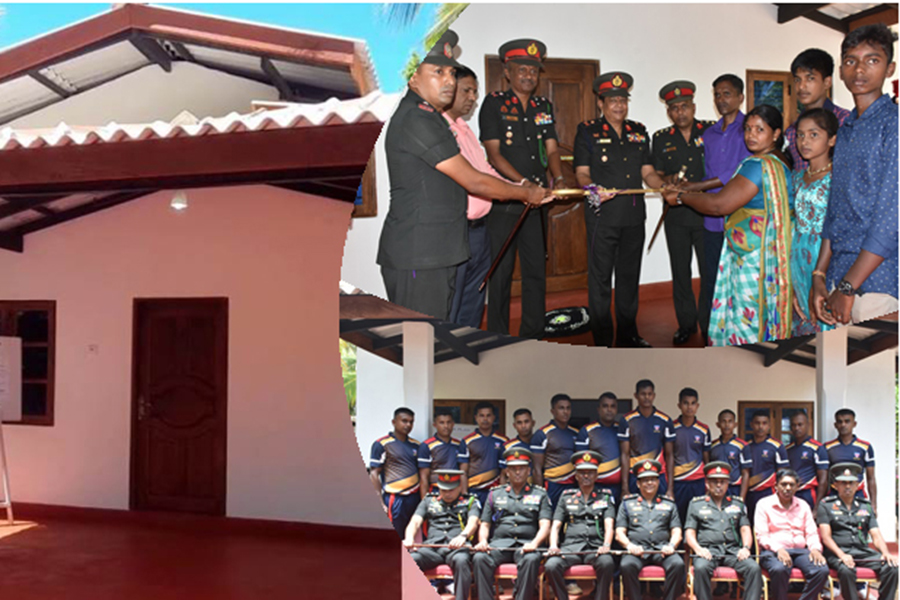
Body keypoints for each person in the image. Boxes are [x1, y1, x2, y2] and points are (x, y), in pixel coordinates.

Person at [378, 30, 549, 320]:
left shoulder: (433, 118)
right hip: (420, 252)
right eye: (438, 71)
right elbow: (474, 180)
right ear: (412, 77)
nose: (448, 81)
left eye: (451, 73)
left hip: (443, 248)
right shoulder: (416, 118)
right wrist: (526, 193)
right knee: (422, 345)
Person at [666, 104, 795, 346]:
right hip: (771, 255)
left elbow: (719, 205)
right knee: (765, 312)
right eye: (747, 129)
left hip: (753, 259)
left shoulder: (757, 166)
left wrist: (681, 197)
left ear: (776, 134)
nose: (751, 135)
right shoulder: (779, 161)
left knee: (747, 315)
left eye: (760, 129)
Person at [811, 23, 898, 328]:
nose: (859, 69)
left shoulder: (893, 126)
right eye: (850, 60)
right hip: (840, 277)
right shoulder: (846, 128)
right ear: (841, 71)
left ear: (890, 69)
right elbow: (834, 211)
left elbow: (891, 221)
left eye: (872, 60)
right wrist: (819, 276)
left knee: (879, 370)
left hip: (878, 282)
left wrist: (848, 287)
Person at [574, 72, 667, 348]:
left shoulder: (639, 131)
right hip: (602, 218)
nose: (619, 105)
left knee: (629, 279)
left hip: (634, 217)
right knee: (600, 280)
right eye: (613, 100)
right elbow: (581, 172)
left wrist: (661, 186)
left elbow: (648, 172)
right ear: (601, 102)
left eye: (623, 100)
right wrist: (592, 189)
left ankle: (628, 335)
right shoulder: (587, 131)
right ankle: (602, 338)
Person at [479, 39, 565, 339]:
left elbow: (552, 149)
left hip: (537, 204)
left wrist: (559, 177)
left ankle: (533, 334)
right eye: (522, 69)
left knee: (535, 273)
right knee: (500, 275)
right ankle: (497, 338)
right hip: (505, 202)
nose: (529, 75)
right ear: (507, 71)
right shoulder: (494, 103)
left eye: (534, 70)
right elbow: (494, 154)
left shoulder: (543, 106)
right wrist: (523, 184)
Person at [680, 74, 752, 345]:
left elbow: (733, 173)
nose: (721, 100)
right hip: (711, 221)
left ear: (740, 97)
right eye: (717, 95)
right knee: (710, 277)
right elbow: (708, 169)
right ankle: (710, 330)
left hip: (740, 218)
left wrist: (694, 188)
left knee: (739, 278)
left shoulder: (749, 128)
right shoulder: (708, 134)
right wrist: (688, 185)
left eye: (727, 94)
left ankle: (739, 331)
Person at [652, 81, 715, 345]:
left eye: (684, 106)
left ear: (694, 107)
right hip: (676, 215)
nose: (680, 112)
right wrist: (667, 179)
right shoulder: (661, 138)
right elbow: (654, 173)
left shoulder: (712, 131)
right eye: (674, 108)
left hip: (707, 215)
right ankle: (686, 325)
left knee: (708, 272)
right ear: (669, 112)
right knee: (681, 273)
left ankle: (709, 323)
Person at [445, 65, 503, 328]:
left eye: (475, 92)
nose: (473, 98)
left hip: (479, 232)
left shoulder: (464, 129)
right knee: (451, 305)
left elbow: (485, 170)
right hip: (455, 233)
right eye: (467, 90)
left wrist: (521, 189)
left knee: (473, 302)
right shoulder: (440, 130)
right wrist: (523, 192)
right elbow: (475, 181)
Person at [474, 448, 551, 600]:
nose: (517, 472)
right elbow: (485, 524)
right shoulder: (494, 494)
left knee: (531, 559)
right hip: (500, 544)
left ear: (528, 471)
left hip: (527, 544)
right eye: (513, 469)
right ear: (507, 472)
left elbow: (545, 525)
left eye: (521, 468)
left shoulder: (540, 494)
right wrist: (483, 541)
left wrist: (535, 544)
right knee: (479, 558)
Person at [790, 108, 839, 336]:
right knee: (803, 313)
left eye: (813, 134)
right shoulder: (796, 177)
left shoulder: (837, 178)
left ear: (832, 139)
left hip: (825, 255)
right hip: (797, 253)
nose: (804, 141)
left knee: (826, 316)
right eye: (800, 135)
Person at [818, 463, 898, 600]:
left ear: (857, 485)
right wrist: (842, 555)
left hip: (862, 552)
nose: (847, 486)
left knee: (892, 568)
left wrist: (885, 553)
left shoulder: (865, 506)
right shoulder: (826, 505)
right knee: (846, 570)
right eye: (843, 483)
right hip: (837, 553)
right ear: (835, 485)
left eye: (851, 483)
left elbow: (876, 535)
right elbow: (826, 537)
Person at [684, 461, 762, 600]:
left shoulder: (737, 504)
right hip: (708, 551)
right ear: (707, 484)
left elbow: (745, 529)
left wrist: (745, 548)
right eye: (715, 482)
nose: (719, 485)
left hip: (733, 551)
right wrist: (698, 549)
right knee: (701, 568)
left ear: (728, 484)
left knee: (753, 568)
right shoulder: (696, 504)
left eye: (722, 481)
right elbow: (690, 532)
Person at [545, 451, 617, 600]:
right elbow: (556, 526)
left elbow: (609, 525)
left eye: (590, 472)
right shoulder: (566, 497)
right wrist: (553, 545)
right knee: (551, 566)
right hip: (571, 548)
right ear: (576, 476)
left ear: (596, 476)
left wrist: (606, 545)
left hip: (595, 548)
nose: (586, 476)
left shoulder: (605, 496)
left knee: (607, 562)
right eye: (582, 472)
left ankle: (600, 597)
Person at [404, 470, 480, 600]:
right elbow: (415, 521)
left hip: (456, 548)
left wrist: (463, 536)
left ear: (459, 487)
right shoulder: (429, 500)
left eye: (451, 490)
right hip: (432, 549)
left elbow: (473, 522)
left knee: (462, 561)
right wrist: (409, 537)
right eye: (443, 490)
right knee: (411, 559)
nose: (447, 493)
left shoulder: (470, 501)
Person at [755, 469, 829, 600]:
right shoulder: (764, 504)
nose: (787, 488)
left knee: (821, 570)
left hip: (800, 551)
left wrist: (816, 549)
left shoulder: (803, 505)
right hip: (772, 551)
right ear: (776, 486)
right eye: (784, 484)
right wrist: (779, 550)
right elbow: (762, 535)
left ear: (797, 487)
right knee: (779, 569)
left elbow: (811, 532)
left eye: (791, 485)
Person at [615, 460, 684, 600]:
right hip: (636, 550)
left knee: (678, 564)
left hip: (662, 550)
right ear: (638, 484)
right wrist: (629, 546)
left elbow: (677, 531)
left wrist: (671, 545)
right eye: (645, 480)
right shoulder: (627, 504)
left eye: (653, 479)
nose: (649, 483)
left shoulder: (669, 504)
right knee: (626, 565)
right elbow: (619, 533)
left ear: (658, 483)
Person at [784, 48, 851, 172]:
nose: (802, 86)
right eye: (798, 80)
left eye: (810, 78)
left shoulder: (845, 122)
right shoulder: (792, 130)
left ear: (827, 82)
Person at [370, 408, 421, 537]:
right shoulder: (382, 444)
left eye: (411, 422)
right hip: (395, 497)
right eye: (404, 421)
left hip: (414, 497)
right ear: (394, 422)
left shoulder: (417, 445)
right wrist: (380, 502)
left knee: (412, 533)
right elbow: (374, 474)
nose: (408, 425)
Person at [619, 379, 675, 497]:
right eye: (643, 394)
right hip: (635, 475)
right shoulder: (627, 420)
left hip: (658, 474)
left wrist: (670, 488)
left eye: (649, 394)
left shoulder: (664, 420)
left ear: (654, 395)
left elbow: (669, 455)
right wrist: (625, 488)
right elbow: (625, 454)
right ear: (636, 396)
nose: (646, 397)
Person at [739, 410, 789, 523]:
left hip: (769, 493)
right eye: (757, 423)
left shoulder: (777, 446)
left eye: (764, 423)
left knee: (770, 525)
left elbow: (782, 473)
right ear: (751, 424)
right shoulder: (746, 446)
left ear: (769, 425)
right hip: (750, 494)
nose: (760, 427)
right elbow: (744, 473)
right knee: (750, 524)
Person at [531, 393, 580, 508]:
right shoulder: (543, 434)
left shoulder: (576, 433)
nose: (565, 412)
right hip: (553, 485)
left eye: (568, 408)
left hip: (572, 485)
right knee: (550, 520)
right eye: (561, 408)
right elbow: (537, 469)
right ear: (553, 411)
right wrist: (541, 495)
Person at [824, 408, 877, 512]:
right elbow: (824, 478)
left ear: (854, 424)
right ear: (835, 425)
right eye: (840, 422)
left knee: (860, 526)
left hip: (858, 493)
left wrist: (874, 505)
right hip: (835, 493)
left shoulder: (865, 447)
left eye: (847, 421)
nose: (843, 425)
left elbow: (871, 478)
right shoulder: (827, 447)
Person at [671, 387, 711, 524]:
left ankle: (695, 545)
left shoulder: (704, 429)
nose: (689, 407)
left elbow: (707, 458)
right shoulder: (671, 427)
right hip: (678, 481)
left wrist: (708, 483)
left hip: (698, 481)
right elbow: (668, 456)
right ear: (679, 405)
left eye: (693, 403)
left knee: (698, 516)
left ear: (697, 406)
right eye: (686, 403)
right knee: (678, 517)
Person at [576, 392, 624, 503]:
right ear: (599, 409)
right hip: (596, 487)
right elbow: (580, 463)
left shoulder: (621, 430)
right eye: (605, 406)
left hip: (620, 487)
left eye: (613, 406)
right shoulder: (587, 431)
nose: (609, 410)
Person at [462, 401, 509, 507]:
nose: (485, 419)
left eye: (488, 415)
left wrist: (502, 493)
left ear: (493, 417)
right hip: (473, 491)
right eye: (481, 415)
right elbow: (463, 471)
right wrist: (464, 493)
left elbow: (503, 472)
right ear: (476, 418)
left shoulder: (503, 441)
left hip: (494, 491)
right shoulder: (467, 441)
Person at [418, 408, 469, 498]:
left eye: (449, 422)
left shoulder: (459, 444)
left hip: (455, 490)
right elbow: (424, 477)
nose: (446, 426)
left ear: (453, 424)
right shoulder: (426, 446)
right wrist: (424, 501)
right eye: (442, 423)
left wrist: (464, 494)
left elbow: (463, 472)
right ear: (435, 425)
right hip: (435, 490)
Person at [784, 411, 828, 512]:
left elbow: (823, 480)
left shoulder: (817, 448)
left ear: (808, 425)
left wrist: (817, 507)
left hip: (808, 494)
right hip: (790, 493)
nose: (796, 428)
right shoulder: (788, 449)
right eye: (793, 425)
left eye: (800, 424)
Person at [710, 409, 746, 498]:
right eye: (723, 421)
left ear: (735, 424)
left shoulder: (743, 446)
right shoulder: (713, 445)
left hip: (734, 488)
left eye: (730, 421)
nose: (727, 425)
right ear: (718, 424)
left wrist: (742, 497)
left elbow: (746, 473)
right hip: (717, 487)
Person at [502, 408, 536, 482]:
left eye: (526, 422)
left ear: (533, 423)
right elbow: (503, 475)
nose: (523, 426)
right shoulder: (508, 447)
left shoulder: (540, 444)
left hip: (538, 490)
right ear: (514, 425)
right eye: (519, 422)